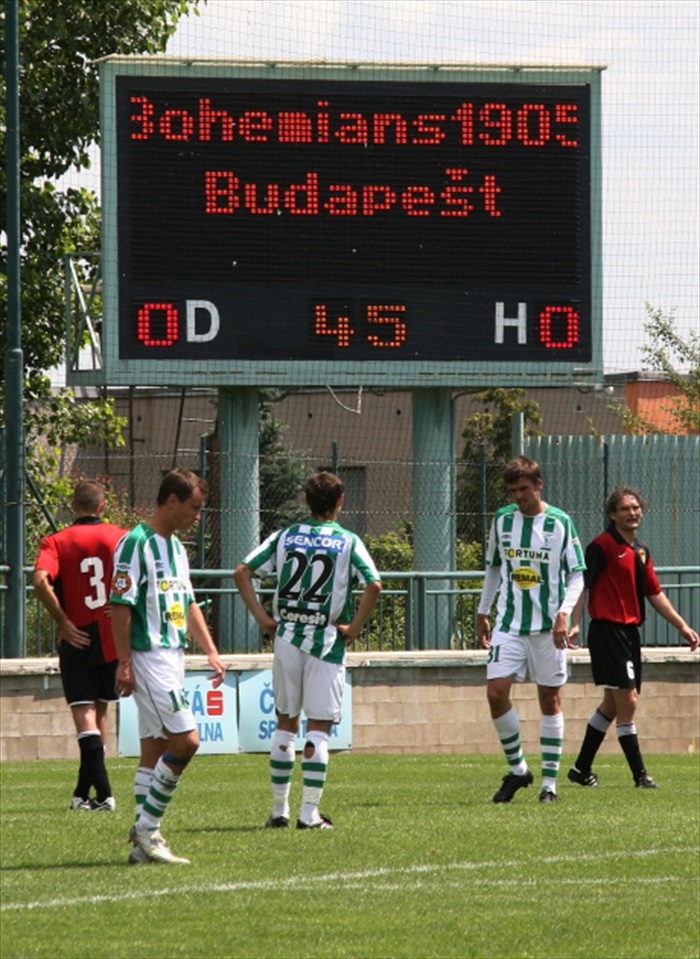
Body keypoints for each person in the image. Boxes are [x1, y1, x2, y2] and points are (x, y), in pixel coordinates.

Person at [234, 470, 381, 829]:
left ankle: (278, 811)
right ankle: (309, 813)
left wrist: (264, 619)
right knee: (318, 727)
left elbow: (242, 572)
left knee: (285, 723)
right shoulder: (347, 540)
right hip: (326, 640)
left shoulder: (286, 535)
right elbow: (374, 584)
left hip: (286, 637)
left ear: (305, 500)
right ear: (340, 502)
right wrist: (355, 628)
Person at [110, 468, 226, 864]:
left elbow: (188, 601)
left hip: (173, 655)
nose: (198, 515)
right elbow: (121, 607)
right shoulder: (134, 544)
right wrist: (125, 661)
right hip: (149, 657)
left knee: (154, 749)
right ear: (171, 500)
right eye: (193, 507)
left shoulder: (176, 547)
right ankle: (147, 829)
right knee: (186, 742)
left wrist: (209, 648)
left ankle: (140, 851)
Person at [567, 485, 699, 789]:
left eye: (636, 507)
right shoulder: (600, 546)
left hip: (629, 633)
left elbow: (654, 593)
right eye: (625, 508)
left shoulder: (640, 550)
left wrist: (682, 626)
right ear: (613, 514)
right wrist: (574, 622)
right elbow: (581, 586)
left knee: (612, 706)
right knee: (629, 700)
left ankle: (580, 769)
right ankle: (640, 775)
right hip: (607, 631)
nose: (632, 512)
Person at [477, 456, 585, 804]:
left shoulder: (560, 523)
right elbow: (494, 567)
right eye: (513, 491)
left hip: (547, 629)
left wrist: (565, 614)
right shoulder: (502, 520)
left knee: (549, 700)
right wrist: (483, 610)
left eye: (524, 489)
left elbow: (577, 574)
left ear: (538, 485)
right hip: (509, 623)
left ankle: (549, 785)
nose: (519, 496)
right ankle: (520, 769)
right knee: (496, 693)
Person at [33, 479, 126, 812]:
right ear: (102, 506)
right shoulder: (121, 537)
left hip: (78, 636)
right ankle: (81, 795)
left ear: (74, 507)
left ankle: (104, 795)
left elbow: (40, 579)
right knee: (99, 712)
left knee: (84, 713)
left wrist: (63, 621)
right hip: (112, 636)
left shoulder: (56, 541)